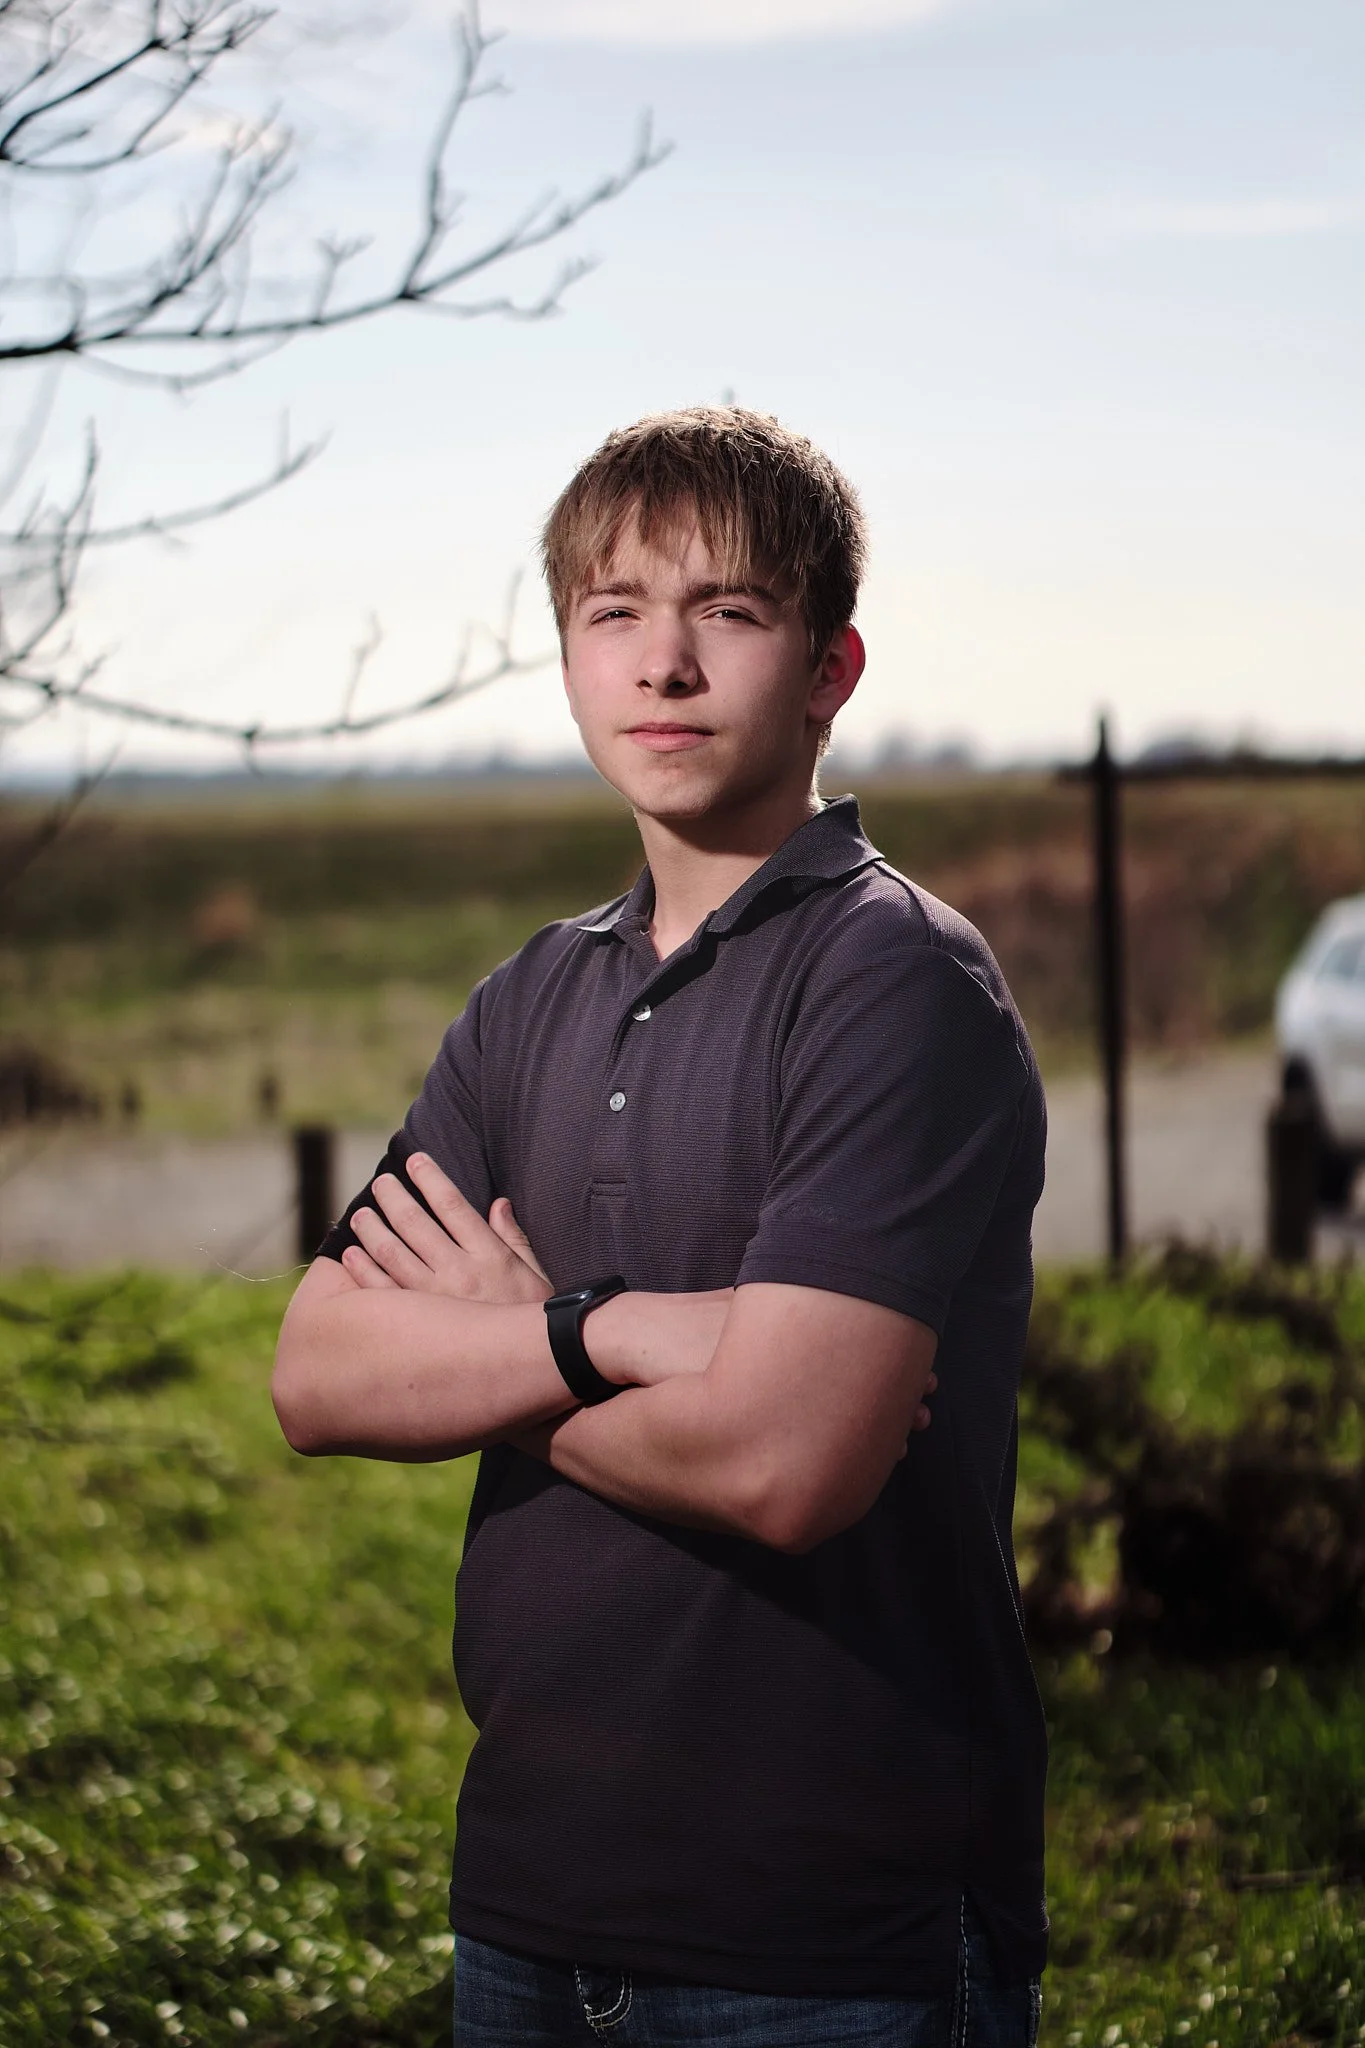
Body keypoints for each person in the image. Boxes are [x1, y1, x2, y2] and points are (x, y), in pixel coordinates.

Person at [272, 405, 1049, 2047]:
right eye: (615, 615)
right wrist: (610, 1331)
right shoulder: (529, 998)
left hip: (829, 1937)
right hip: (528, 1910)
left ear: (834, 667)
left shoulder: (895, 981)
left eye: (730, 613)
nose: (664, 667)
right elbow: (320, 1375)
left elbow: (787, 1464)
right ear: (566, 660)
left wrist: (512, 1344)